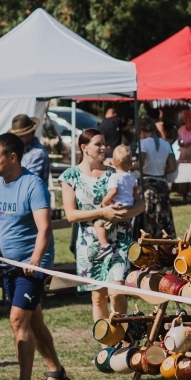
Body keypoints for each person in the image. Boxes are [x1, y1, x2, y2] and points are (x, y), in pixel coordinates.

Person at [0, 131, 69, 380]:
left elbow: (45, 228)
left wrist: (35, 259)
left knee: (18, 319)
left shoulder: (33, 185)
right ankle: (56, 371)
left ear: (12, 157)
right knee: (34, 320)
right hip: (9, 264)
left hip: (35, 264)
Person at [60, 130, 139, 323]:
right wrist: (102, 213)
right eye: (98, 144)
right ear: (84, 147)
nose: (104, 147)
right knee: (97, 297)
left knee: (117, 292)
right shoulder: (70, 176)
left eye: (105, 143)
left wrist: (124, 215)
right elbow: (71, 215)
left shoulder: (115, 172)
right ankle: (106, 344)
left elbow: (140, 203)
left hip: (118, 238)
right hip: (89, 242)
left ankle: (122, 337)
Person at [135, 116, 177, 239]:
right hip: (162, 184)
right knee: (163, 217)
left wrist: (129, 167)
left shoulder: (142, 143)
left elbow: (141, 164)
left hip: (148, 185)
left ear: (141, 131)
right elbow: (173, 166)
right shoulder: (166, 144)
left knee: (149, 217)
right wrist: (162, 170)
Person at [9, 113, 51, 182]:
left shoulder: (38, 153)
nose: (17, 139)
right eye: (15, 136)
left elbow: (29, 181)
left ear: (31, 133)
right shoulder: (22, 150)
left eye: (21, 136)